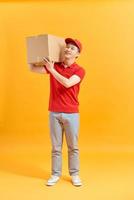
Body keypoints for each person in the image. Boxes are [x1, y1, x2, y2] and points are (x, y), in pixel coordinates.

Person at [29, 37, 86, 186]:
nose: (68, 49)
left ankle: (74, 174)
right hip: (54, 112)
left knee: (73, 146)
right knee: (56, 147)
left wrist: (52, 70)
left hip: (71, 114)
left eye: (72, 48)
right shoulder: (55, 65)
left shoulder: (80, 70)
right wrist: (33, 54)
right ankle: (55, 174)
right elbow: (32, 68)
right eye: (67, 46)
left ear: (77, 54)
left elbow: (67, 83)